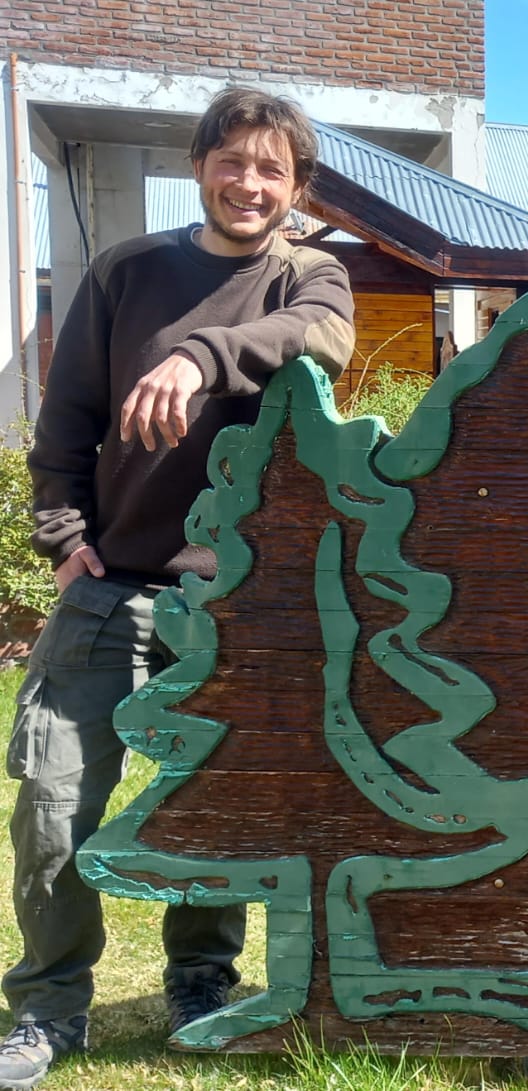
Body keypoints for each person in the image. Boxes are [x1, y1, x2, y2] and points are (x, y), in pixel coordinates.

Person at [0, 87, 355, 1090]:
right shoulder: (127, 271)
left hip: (232, 603)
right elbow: (65, 422)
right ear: (201, 165)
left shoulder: (307, 272)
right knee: (55, 801)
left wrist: (201, 354)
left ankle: (202, 981)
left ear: (296, 187)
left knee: (213, 802)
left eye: (271, 170)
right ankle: (50, 1009)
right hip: (111, 589)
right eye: (232, 162)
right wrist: (66, 538)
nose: (249, 184)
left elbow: (324, 338)